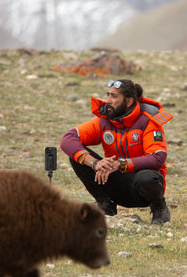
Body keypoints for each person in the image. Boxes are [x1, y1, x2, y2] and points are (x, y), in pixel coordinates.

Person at [60, 79, 173, 224]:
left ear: (129, 101)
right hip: (116, 184)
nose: (108, 101)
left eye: (114, 96)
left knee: (146, 177)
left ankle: (159, 208)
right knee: (77, 157)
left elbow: (158, 158)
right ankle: (105, 205)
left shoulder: (148, 121)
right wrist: (95, 163)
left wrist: (121, 164)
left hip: (143, 189)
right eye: (108, 95)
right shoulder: (105, 121)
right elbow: (68, 138)